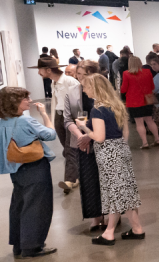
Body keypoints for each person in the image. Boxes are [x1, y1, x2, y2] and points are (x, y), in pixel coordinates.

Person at [77, 74, 146, 245]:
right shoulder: (116, 106)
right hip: (121, 149)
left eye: (86, 87)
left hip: (108, 153)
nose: (84, 90)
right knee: (122, 190)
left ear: (95, 88)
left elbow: (99, 137)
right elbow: (126, 133)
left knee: (117, 191)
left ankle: (131, 230)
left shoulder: (98, 110)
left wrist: (84, 127)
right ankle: (116, 231)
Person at [0, 87, 58, 258]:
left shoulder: (2, 123)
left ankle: (19, 245)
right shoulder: (25, 121)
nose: (29, 100)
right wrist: (45, 115)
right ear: (14, 102)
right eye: (25, 98)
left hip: (16, 170)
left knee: (19, 205)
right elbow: (51, 135)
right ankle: (32, 246)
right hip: (34, 167)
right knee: (38, 207)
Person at [34, 57, 82, 194]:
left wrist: (77, 120)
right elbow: (56, 102)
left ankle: (70, 180)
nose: (39, 73)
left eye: (40, 70)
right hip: (60, 116)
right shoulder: (54, 83)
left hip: (71, 117)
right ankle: (76, 175)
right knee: (67, 148)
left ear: (48, 70)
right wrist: (54, 119)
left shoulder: (69, 81)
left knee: (70, 148)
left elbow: (78, 102)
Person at [73, 61, 104, 231]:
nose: (80, 78)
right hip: (83, 141)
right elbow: (68, 119)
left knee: (105, 180)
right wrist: (81, 136)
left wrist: (89, 135)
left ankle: (110, 214)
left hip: (101, 140)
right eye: (78, 74)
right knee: (89, 179)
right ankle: (95, 216)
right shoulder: (73, 92)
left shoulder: (102, 92)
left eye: (83, 74)